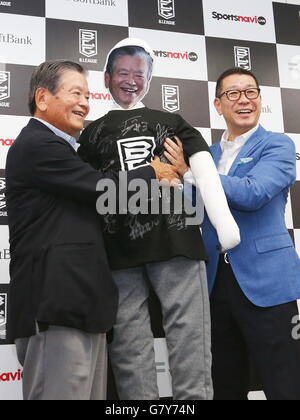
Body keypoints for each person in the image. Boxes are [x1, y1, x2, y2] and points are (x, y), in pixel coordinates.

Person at [5, 60, 178, 400]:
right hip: (56, 308)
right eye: (75, 93)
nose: (85, 102)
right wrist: (153, 171)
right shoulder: (38, 144)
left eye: (87, 94)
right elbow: (103, 189)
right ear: (43, 98)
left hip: (81, 308)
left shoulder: (68, 152)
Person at [78, 39, 240, 400]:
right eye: (123, 72)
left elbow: (203, 168)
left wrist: (223, 223)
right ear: (106, 78)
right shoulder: (90, 133)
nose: (131, 80)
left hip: (176, 238)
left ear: (150, 81)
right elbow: (83, 189)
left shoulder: (171, 121)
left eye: (140, 74)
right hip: (117, 247)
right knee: (128, 342)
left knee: (189, 334)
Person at [167, 67, 300, 400]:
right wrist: (174, 184)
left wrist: (191, 171)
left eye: (251, 92)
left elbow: (253, 193)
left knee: (285, 382)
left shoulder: (278, 145)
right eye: (233, 94)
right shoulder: (206, 156)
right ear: (218, 104)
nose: (244, 100)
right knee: (224, 383)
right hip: (214, 284)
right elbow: (195, 208)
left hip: (267, 285)